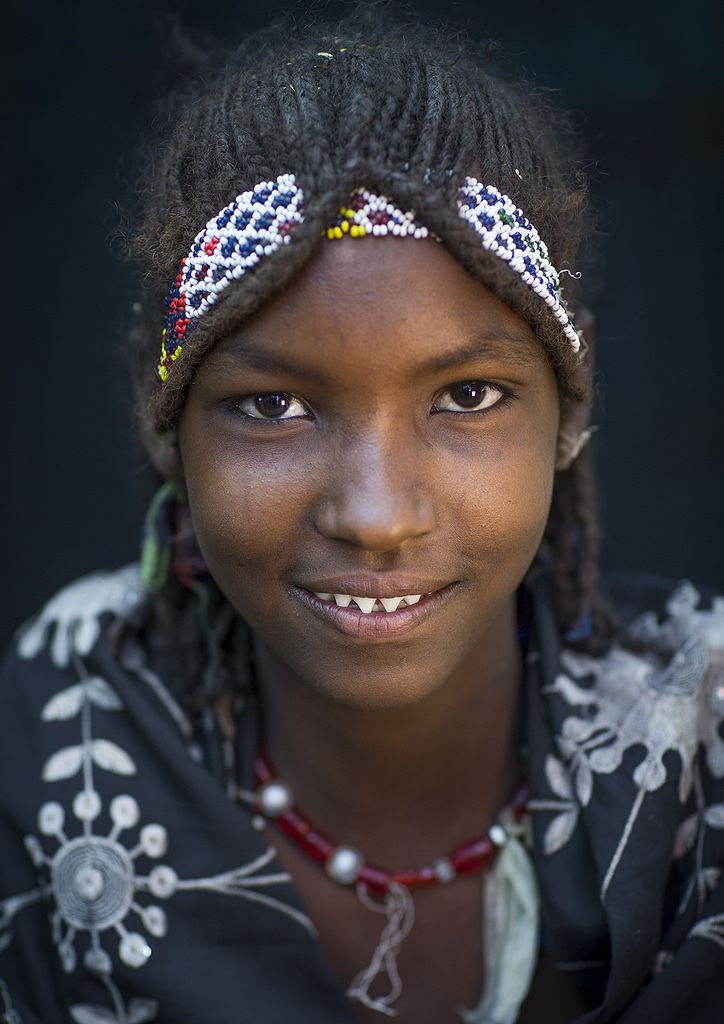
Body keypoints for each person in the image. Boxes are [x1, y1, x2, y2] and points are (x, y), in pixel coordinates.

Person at [1, 6, 722, 1023]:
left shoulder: (704, 741)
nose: (376, 515)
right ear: (163, 419)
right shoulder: (57, 729)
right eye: (273, 405)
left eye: (466, 395)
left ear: (573, 399)